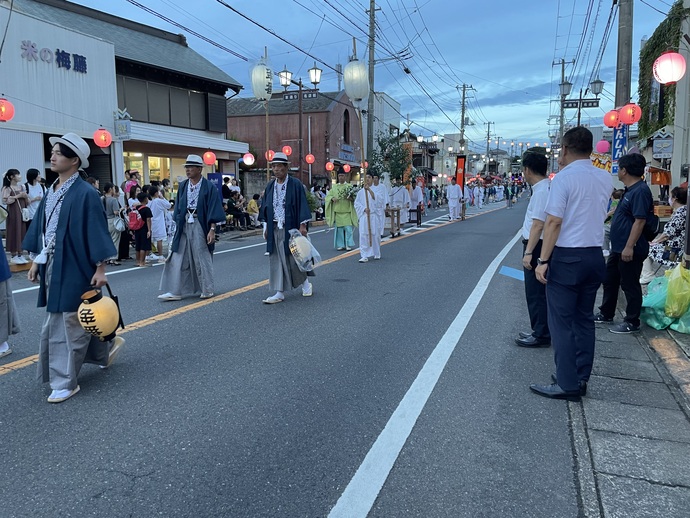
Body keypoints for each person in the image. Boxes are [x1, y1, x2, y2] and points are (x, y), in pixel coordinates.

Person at [23, 133, 123, 404]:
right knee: (70, 316)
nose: (52, 156)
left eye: (58, 153)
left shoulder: (86, 193)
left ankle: (66, 381)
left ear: (74, 160)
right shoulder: (52, 190)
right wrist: (36, 261)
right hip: (53, 260)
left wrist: (100, 268)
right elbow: (43, 230)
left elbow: (96, 230)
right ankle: (107, 346)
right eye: (52, 152)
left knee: (68, 318)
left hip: (77, 262)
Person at [531, 126, 611, 401]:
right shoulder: (605, 178)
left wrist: (543, 261)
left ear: (564, 149)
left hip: (567, 256)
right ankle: (579, 376)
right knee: (584, 320)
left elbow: (553, 221)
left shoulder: (563, 179)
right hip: (594, 254)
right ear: (590, 148)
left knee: (561, 322)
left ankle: (567, 383)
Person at [595, 153, 654, 334]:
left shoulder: (640, 191)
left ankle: (632, 321)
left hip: (631, 248)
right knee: (610, 280)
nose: (617, 171)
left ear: (624, 170)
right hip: (618, 247)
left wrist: (629, 246)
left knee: (630, 284)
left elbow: (640, 220)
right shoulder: (630, 189)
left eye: (619, 168)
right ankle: (606, 312)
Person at [158, 154, 226, 301]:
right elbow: (178, 206)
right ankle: (176, 290)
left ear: (199, 169)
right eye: (186, 167)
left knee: (201, 255)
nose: (188, 170)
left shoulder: (208, 187)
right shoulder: (183, 186)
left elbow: (214, 208)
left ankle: (207, 289)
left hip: (200, 223)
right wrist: (177, 223)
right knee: (178, 255)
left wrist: (212, 229)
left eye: (191, 167)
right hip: (184, 223)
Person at [259, 152, 313, 304]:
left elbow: (302, 204)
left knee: (294, 257)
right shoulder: (270, 186)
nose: (276, 169)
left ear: (286, 167)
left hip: (291, 226)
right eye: (274, 166)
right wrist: (266, 227)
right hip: (275, 226)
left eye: (279, 166)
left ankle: (305, 284)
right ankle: (279, 292)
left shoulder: (295, 184)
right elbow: (266, 208)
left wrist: (302, 225)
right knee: (276, 258)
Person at [516, 152, 551, 348]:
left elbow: (538, 225)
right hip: (538, 244)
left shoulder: (542, 191)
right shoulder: (543, 188)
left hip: (536, 245)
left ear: (527, 170)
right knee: (538, 292)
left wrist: (529, 253)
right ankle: (540, 329)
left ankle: (541, 333)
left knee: (535, 292)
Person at [640, 186, 688, 283]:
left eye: (670, 197)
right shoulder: (685, 211)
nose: (669, 199)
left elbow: (667, 234)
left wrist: (655, 242)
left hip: (673, 251)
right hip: (679, 247)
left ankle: (647, 275)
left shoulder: (680, 214)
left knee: (645, 248)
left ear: (674, 199)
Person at [325, 166, 357, 251]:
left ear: (345, 176)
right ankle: (341, 244)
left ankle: (348, 244)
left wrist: (350, 198)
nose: (341, 177)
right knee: (339, 230)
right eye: (339, 176)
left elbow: (354, 198)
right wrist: (332, 198)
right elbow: (328, 196)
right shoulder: (334, 187)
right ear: (338, 177)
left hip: (347, 211)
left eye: (342, 175)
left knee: (348, 229)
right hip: (338, 211)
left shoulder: (349, 186)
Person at [2, 169, 30, 264]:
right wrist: (18, 196)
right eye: (17, 174)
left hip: (22, 212)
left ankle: (20, 254)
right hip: (13, 213)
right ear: (11, 177)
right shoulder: (7, 188)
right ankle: (14, 255)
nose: (20, 176)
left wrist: (25, 196)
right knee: (14, 231)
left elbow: (28, 202)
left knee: (22, 231)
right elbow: (5, 201)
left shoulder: (22, 187)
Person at [355, 171, 381, 262]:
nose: (367, 179)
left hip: (373, 216)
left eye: (369, 177)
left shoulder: (376, 189)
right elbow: (357, 204)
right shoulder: (360, 192)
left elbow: (377, 199)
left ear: (373, 179)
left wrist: (369, 190)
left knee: (375, 235)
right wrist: (364, 209)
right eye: (366, 178)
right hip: (364, 216)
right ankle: (364, 255)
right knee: (363, 235)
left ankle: (376, 252)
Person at [147, 185, 171, 262]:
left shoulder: (149, 202)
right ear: (157, 193)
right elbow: (168, 205)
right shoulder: (158, 201)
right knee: (159, 240)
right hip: (159, 222)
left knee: (150, 239)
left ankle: (147, 255)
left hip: (151, 222)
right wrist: (162, 197)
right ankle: (160, 256)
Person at [102, 182, 122, 266]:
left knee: (107, 240)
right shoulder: (113, 200)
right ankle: (113, 259)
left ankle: (107, 258)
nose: (114, 190)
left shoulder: (101, 199)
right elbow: (116, 212)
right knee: (115, 240)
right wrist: (121, 210)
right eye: (113, 188)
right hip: (112, 220)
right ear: (110, 190)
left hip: (104, 221)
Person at [134, 192, 153, 267]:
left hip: (137, 228)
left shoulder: (136, 208)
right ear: (145, 199)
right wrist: (149, 230)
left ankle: (138, 261)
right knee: (143, 246)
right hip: (144, 228)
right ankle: (142, 262)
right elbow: (148, 220)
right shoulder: (146, 209)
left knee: (138, 245)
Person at [370, 171, 388, 238]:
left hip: (380, 207)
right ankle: (374, 232)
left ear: (378, 179)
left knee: (381, 220)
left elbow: (385, 196)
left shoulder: (382, 187)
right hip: (373, 207)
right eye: (373, 178)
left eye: (376, 178)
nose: (375, 180)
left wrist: (386, 205)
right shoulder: (371, 187)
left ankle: (380, 232)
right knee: (374, 220)